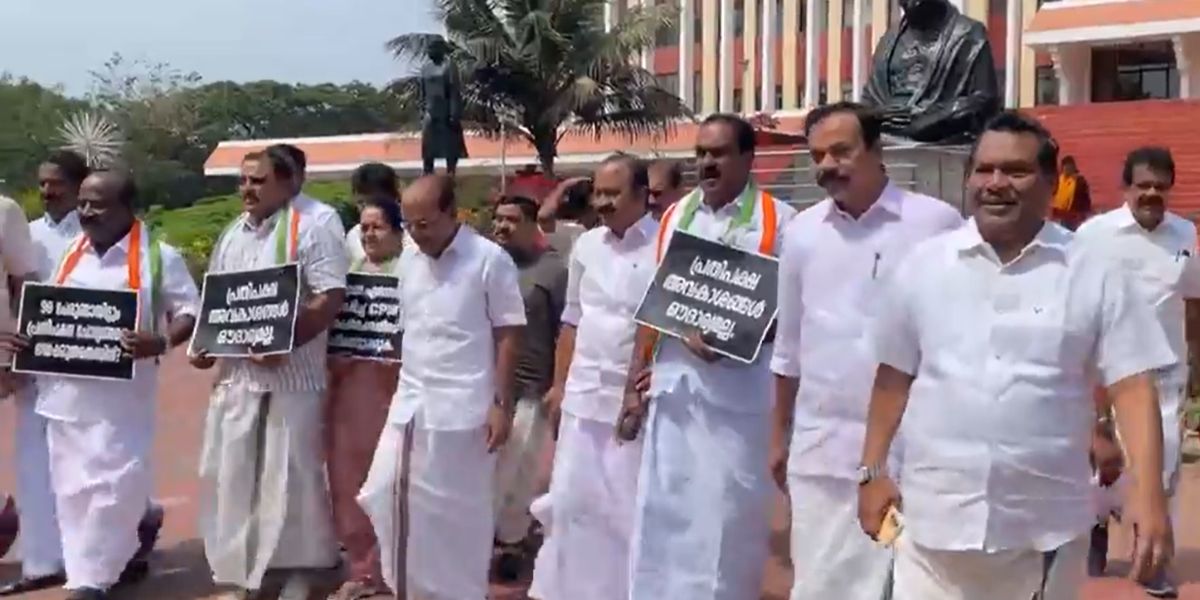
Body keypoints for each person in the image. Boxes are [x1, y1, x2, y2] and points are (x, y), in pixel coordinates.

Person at [857, 111, 1175, 600]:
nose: (996, 183)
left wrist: (1149, 495)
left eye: (1016, 171)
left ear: (1051, 183)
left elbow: (1131, 386)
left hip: (1041, 533)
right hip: (933, 528)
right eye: (984, 170)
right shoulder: (924, 266)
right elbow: (893, 378)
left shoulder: (1093, 271)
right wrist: (872, 473)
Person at [770, 102, 962, 600]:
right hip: (823, 449)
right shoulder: (801, 233)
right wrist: (778, 434)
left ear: (877, 152)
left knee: (918, 585)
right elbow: (788, 346)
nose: (828, 165)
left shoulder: (935, 224)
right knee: (821, 584)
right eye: (818, 155)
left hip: (916, 451)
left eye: (841, 151)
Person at [619, 114, 796, 600]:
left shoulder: (780, 221)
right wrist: (634, 385)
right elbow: (655, 304)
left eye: (717, 154)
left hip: (739, 401)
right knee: (664, 519)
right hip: (675, 391)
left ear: (747, 158)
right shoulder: (677, 216)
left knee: (727, 523)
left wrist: (737, 336)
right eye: (700, 154)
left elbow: (794, 313)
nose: (706, 163)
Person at [1, 170, 198, 600]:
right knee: (71, 491)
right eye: (83, 203)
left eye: (97, 204)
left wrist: (160, 341)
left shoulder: (159, 258)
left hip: (121, 400)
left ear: (128, 209)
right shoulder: (66, 255)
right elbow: (42, 309)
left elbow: (189, 311)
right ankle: (90, 573)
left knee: (115, 486)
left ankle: (94, 578)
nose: (86, 212)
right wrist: (21, 338)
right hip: (64, 397)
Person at [358, 175, 525, 599]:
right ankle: (409, 589)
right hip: (411, 406)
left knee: (457, 519)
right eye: (410, 224)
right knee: (384, 493)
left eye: (425, 223)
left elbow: (508, 334)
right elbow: (407, 329)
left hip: (465, 411)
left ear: (454, 214)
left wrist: (502, 405)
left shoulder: (489, 260)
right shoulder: (410, 260)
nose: (416, 233)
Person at [194, 147, 348, 599]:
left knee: (293, 476)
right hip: (239, 379)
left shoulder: (316, 224)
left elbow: (329, 297)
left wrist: (285, 340)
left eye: (258, 181)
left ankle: (302, 571)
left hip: (293, 377)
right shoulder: (233, 233)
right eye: (242, 180)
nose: (247, 189)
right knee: (234, 475)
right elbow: (220, 301)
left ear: (289, 183)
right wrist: (206, 346)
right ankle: (243, 577)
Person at [528, 154, 658, 600]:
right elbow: (572, 319)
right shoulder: (587, 246)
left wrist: (636, 390)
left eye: (612, 193)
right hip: (582, 395)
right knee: (571, 504)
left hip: (634, 405)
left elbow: (656, 323)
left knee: (624, 512)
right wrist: (560, 384)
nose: (602, 203)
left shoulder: (666, 243)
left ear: (642, 195)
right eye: (598, 193)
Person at [1074, 146, 1198, 598]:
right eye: (1142, 184)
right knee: (1095, 469)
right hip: (1103, 376)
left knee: (1160, 475)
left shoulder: (1184, 233)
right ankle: (1096, 531)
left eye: (1159, 187)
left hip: (1163, 376)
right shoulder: (1093, 236)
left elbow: (1191, 302)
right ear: (1125, 187)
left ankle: (1154, 562)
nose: (1151, 193)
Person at [325, 196, 407, 600]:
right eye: (364, 228)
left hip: (396, 392)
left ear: (398, 230)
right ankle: (362, 570)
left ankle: (395, 568)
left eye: (378, 227)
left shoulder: (415, 273)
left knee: (393, 482)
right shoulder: (347, 276)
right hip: (349, 391)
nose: (369, 234)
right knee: (348, 482)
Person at [489, 194, 568, 581]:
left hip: (535, 384)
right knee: (491, 467)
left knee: (520, 468)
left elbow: (567, 330)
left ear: (531, 224)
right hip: (489, 385)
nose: (501, 227)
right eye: (497, 219)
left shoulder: (553, 270)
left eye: (511, 220)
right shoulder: (486, 265)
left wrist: (560, 383)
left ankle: (512, 543)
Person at [344, 162, 413, 264]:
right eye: (361, 203)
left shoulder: (412, 237)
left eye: (377, 227)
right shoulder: (353, 236)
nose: (369, 234)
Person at [537, 177, 599, 256]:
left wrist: (562, 186)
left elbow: (543, 216)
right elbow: (543, 216)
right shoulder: (571, 230)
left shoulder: (567, 230)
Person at [1050, 156, 1092, 231]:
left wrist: (1085, 213)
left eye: (1069, 167)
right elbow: (1053, 194)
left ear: (1073, 167)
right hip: (1059, 214)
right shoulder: (1058, 179)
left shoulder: (1079, 181)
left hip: (1073, 216)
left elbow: (1086, 199)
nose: (1066, 169)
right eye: (1065, 167)